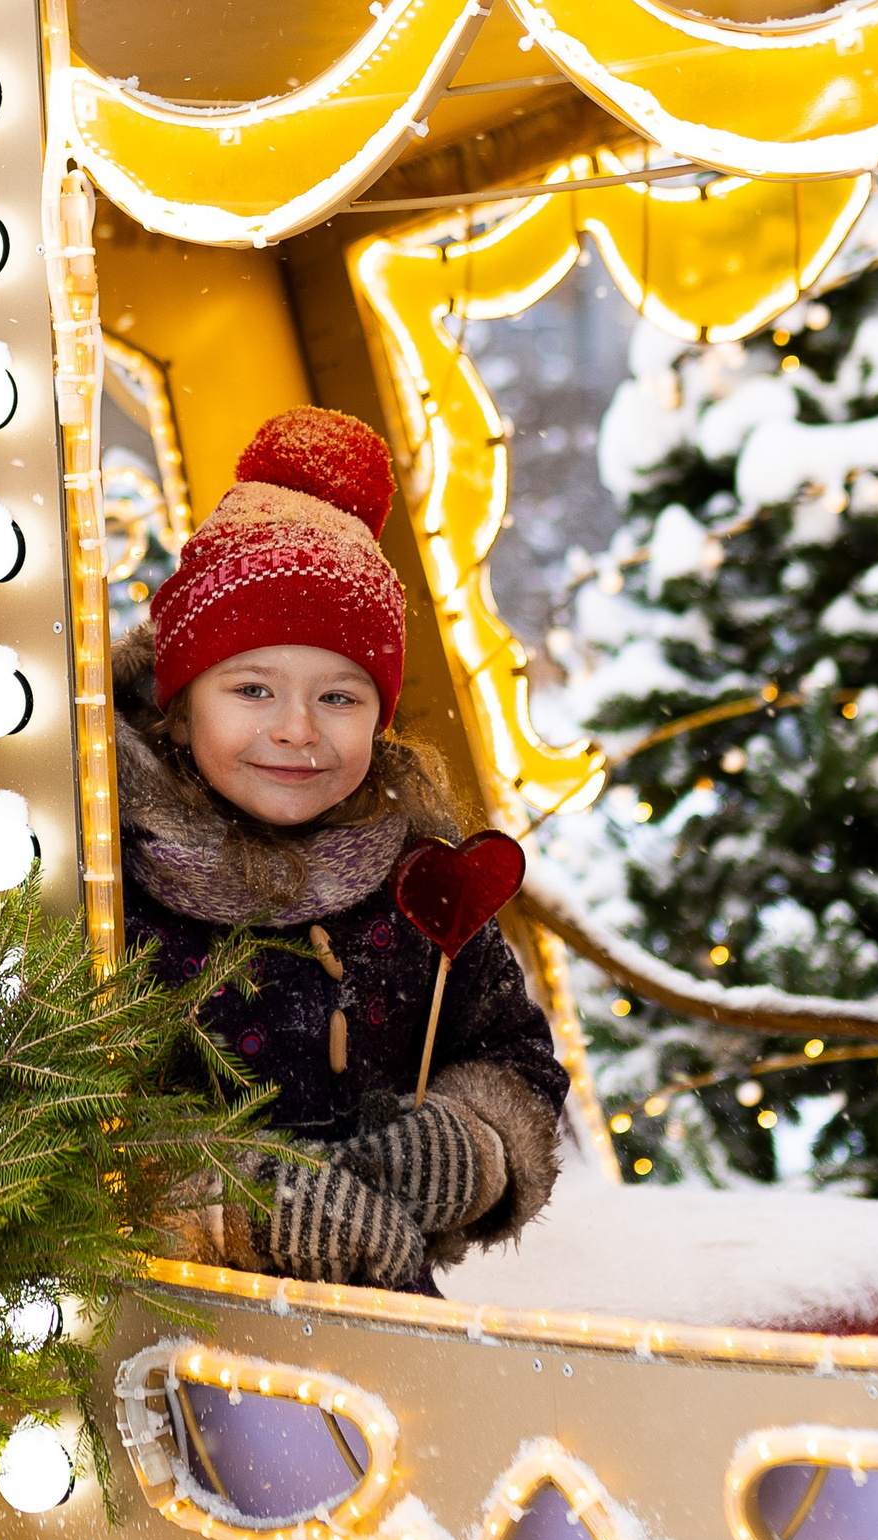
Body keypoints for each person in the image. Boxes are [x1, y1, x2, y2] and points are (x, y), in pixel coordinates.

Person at [117, 406, 568, 1296]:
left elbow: (516, 1054)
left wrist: (474, 1147)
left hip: (389, 1324)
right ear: (180, 705)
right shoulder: (111, 880)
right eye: (252, 689)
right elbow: (52, 1126)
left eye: (340, 698)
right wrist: (234, 1208)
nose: (296, 731)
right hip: (171, 1323)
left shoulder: (413, 887)